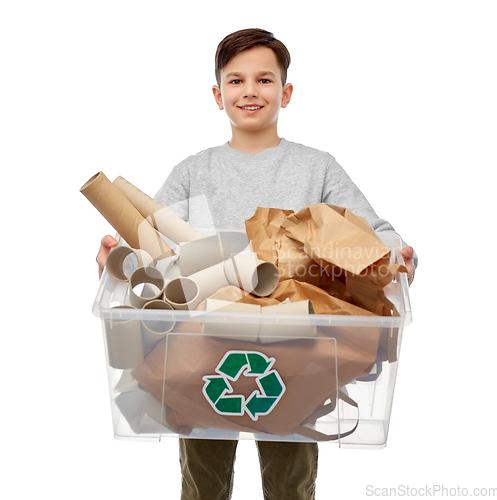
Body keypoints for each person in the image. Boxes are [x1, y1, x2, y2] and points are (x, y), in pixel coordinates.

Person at [96, 28, 417, 500]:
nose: (250, 91)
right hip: (204, 340)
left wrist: (396, 256)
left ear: (285, 92)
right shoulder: (193, 170)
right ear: (217, 94)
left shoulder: (317, 167)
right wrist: (117, 261)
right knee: (202, 475)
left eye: (264, 80)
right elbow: (154, 246)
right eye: (236, 80)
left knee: (291, 479)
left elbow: (374, 232)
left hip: (297, 343)